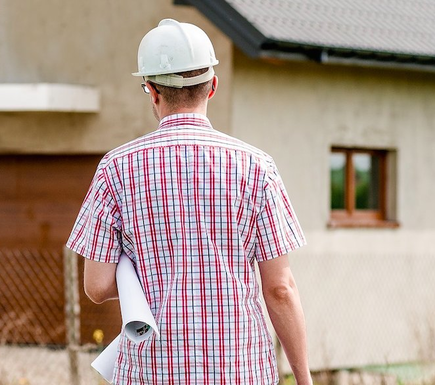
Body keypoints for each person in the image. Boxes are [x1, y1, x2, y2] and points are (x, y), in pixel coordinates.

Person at [66, 19, 310, 384]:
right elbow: (279, 288)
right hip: (240, 371)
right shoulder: (257, 167)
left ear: (151, 90)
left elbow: (96, 286)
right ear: (212, 86)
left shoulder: (115, 169)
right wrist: (303, 378)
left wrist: (148, 274)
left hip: (152, 372)